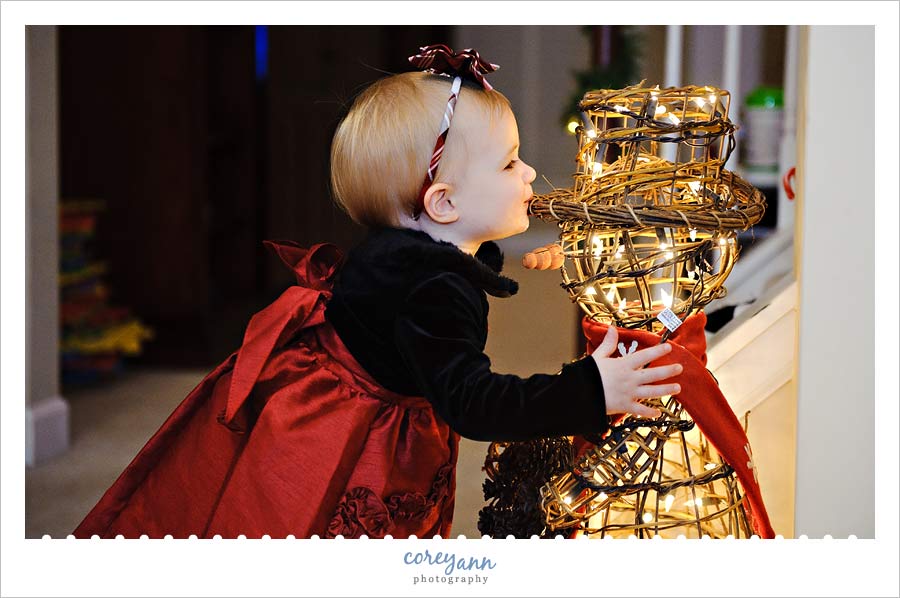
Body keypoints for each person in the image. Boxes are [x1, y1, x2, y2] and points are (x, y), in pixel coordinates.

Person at [73, 44, 682, 540]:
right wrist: (588, 391)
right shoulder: (434, 286)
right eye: (509, 164)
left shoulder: (419, 258)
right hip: (351, 435)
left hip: (344, 391)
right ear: (443, 204)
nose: (528, 173)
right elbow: (473, 403)